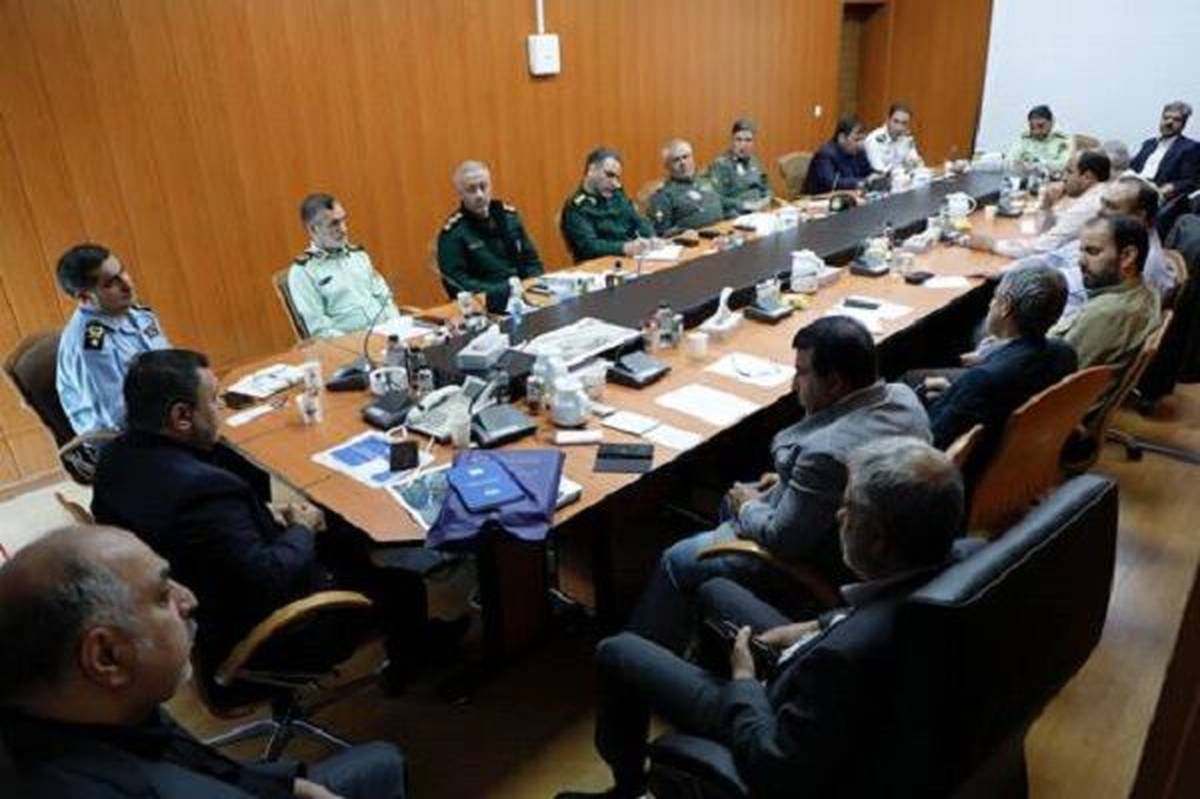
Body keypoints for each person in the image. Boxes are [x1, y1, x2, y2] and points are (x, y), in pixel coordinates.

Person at [555, 437, 964, 799]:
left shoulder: (843, 659)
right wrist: (812, 626)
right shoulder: (958, 559)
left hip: (769, 712)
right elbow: (867, 608)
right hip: (815, 664)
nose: (840, 516)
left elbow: (776, 766)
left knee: (617, 651)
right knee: (714, 589)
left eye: (850, 509)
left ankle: (628, 787)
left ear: (878, 542)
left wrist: (744, 679)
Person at [90, 349, 458, 688]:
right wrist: (301, 528)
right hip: (267, 628)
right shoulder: (203, 489)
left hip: (193, 606)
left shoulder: (114, 459)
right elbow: (269, 578)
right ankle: (412, 663)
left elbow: (190, 532)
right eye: (214, 401)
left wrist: (256, 513)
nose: (220, 410)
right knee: (404, 586)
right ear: (182, 417)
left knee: (343, 535)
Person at [0, 525, 407, 799]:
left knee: (382, 761)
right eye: (163, 596)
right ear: (106, 656)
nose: (189, 599)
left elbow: (197, 762)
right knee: (383, 760)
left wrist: (292, 786)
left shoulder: (108, 709)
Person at [627, 317, 930, 653]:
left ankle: (640, 659)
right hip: (876, 536)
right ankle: (713, 625)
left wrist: (749, 506)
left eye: (801, 373)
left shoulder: (824, 453)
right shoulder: (903, 397)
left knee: (676, 559)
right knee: (730, 502)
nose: (794, 385)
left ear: (834, 383)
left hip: (822, 561)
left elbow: (781, 539)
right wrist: (790, 483)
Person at [922, 265, 1077, 458]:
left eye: (995, 297)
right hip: (1023, 459)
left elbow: (930, 442)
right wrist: (955, 394)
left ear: (1005, 307)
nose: (990, 304)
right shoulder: (1064, 354)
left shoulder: (983, 379)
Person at [55, 243, 169, 436]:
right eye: (110, 284)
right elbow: (116, 418)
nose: (126, 285)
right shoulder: (91, 344)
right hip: (128, 438)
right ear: (85, 298)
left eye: (122, 271)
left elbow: (170, 364)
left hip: (162, 411)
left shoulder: (138, 314)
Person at [1048, 214, 1161, 370]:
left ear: (1127, 256)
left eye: (1092, 252)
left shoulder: (1105, 314)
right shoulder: (1145, 291)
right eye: (1082, 251)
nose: (1080, 261)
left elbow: (1051, 373)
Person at [286, 193, 401, 338]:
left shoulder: (358, 255)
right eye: (334, 224)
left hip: (387, 335)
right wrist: (357, 343)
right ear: (313, 229)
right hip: (351, 345)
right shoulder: (303, 272)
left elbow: (385, 298)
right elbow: (320, 330)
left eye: (343, 220)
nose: (344, 229)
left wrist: (396, 328)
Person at [436, 160, 543, 309]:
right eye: (471, 190)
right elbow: (457, 283)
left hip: (527, 295)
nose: (479, 195)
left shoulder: (508, 217)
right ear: (460, 194)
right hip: (487, 303)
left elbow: (533, 261)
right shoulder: (454, 232)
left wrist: (531, 285)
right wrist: (503, 290)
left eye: (483, 187)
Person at [971, 150, 1111, 259]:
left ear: (1087, 177)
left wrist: (992, 245)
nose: (1063, 178)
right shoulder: (1097, 194)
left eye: (1069, 172)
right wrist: (1046, 206)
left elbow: (1042, 248)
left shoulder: (1089, 206)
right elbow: (1047, 235)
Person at [561, 147, 659, 262]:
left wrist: (651, 237)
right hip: (599, 266)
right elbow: (590, 246)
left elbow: (638, 220)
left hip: (630, 261)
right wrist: (624, 248)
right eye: (609, 175)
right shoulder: (576, 207)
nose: (614, 183)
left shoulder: (617, 195)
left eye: (617, 177)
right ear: (591, 170)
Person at [646, 139, 729, 236]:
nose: (683, 163)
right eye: (676, 160)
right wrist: (682, 233)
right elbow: (661, 233)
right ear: (667, 167)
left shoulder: (705, 182)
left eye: (685, 157)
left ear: (692, 159)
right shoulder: (663, 196)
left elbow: (725, 204)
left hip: (724, 233)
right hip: (695, 240)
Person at [1130, 101, 1200, 201]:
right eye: (1166, 118)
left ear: (1183, 124)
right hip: (1134, 187)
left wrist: (1170, 187)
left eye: (1176, 119)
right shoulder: (1149, 144)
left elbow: (1190, 181)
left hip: (1157, 193)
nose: (1169, 122)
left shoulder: (1190, 147)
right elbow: (1132, 169)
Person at [705, 118, 772, 213]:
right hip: (738, 213)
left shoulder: (754, 160)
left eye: (748, 140)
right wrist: (744, 205)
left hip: (760, 211)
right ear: (732, 140)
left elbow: (766, 186)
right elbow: (716, 198)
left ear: (753, 143)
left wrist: (767, 198)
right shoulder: (721, 164)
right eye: (738, 139)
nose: (743, 145)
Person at [803, 116, 875, 194]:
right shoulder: (825, 155)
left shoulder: (859, 152)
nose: (860, 144)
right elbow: (831, 183)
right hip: (818, 198)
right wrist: (862, 182)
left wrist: (875, 177)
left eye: (863, 139)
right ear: (842, 138)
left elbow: (869, 173)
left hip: (848, 196)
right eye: (856, 139)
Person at [1007, 104, 1073, 175]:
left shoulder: (1063, 141)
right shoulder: (1024, 140)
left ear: (1051, 123)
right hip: (1027, 178)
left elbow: (1066, 164)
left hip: (1055, 179)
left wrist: (1039, 165)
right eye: (1032, 127)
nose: (1036, 131)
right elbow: (1010, 162)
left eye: (1041, 126)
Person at [864, 103, 924, 174]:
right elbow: (880, 170)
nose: (899, 127)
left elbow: (915, 163)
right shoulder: (874, 139)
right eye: (896, 121)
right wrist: (905, 169)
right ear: (888, 120)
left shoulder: (907, 139)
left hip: (903, 178)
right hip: (881, 179)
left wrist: (914, 165)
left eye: (904, 123)